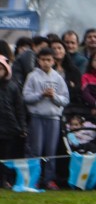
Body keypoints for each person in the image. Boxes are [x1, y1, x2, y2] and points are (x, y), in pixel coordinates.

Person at [23, 48, 70, 190]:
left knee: (51, 151)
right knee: (35, 150)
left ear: (53, 61)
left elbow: (65, 99)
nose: (46, 62)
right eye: (43, 59)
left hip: (53, 118)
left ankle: (49, 179)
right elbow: (26, 97)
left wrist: (54, 97)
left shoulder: (58, 77)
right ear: (38, 61)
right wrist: (41, 95)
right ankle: (34, 178)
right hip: (37, 117)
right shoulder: (32, 76)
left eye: (49, 60)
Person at [0, 56, 27, 188]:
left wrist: (22, 127)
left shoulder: (13, 86)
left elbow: (19, 109)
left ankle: (5, 180)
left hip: (10, 128)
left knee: (8, 157)